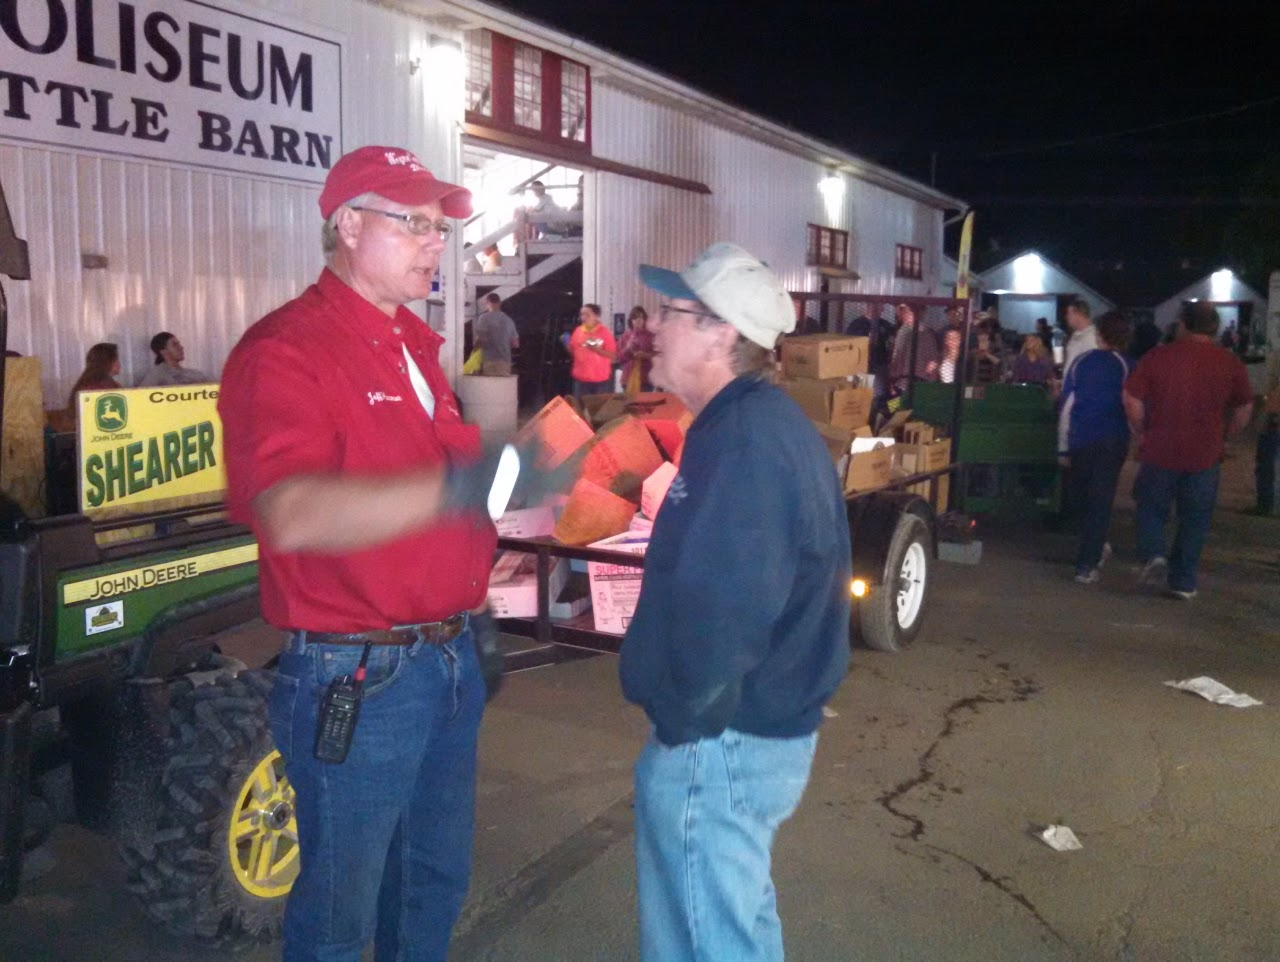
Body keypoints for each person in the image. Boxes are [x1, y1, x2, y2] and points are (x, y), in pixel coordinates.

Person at [217, 145, 508, 961]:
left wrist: (489, 542)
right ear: (347, 224)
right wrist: (457, 489)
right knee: (341, 915)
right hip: (360, 675)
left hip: (446, 659)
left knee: (430, 883)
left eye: (440, 226)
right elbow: (292, 513)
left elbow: (434, 487)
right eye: (413, 222)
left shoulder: (414, 346)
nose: (435, 241)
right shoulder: (286, 351)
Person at [621, 241, 850, 962]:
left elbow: (729, 608)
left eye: (672, 312)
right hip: (747, 732)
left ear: (722, 334)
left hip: (722, 740)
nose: (653, 327)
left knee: (704, 939)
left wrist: (684, 724)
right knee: (736, 923)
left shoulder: (745, 443)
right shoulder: (749, 426)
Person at [1123, 302, 1253, 599]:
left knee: (1150, 506)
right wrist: (1225, 435)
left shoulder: (1158, 357)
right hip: (1205, 454)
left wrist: (1142, 428)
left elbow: (1131, 398)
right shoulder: (1229, 362)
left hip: (1160, 448)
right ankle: (1183, 582)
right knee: (1195, 519)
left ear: (1183, 324)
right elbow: (1245, 406)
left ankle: (1155, 553)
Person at [1057, 311, 1133, 583]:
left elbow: (1067, 407)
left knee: (1084, 499)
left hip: (1081, 441)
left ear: (1099, 333)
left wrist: (1063, 447)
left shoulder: (1081, 363)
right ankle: (1089, 561)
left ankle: (1091, 553)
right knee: (1101, 500)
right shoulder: (1127, 365)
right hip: (1113, 442)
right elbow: (1133, 406)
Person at [48, 342, 122, 432]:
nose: (119, 363)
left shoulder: (88, 383)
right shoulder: (97, 388)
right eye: (116, 360)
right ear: (106, 362)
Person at [888, 302, 939, 398]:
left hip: (914, 380)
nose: (903, 316)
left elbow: (933, 359)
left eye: (907, 312)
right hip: (908, 381)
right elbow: (897, 357)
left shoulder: (925, 333)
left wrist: (892, 377)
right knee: (901, 405)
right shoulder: (904, 331)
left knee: (902, 404)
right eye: (902, 313)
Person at [566, 303, 616, 398]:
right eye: (582, 314)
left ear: (596, 316)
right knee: (579, 409)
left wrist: (597, 350)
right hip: (581, 379)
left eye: (587, 314)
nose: (584, 317)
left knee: (597, 410)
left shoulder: (605, 332)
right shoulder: (578, 331)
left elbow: (613, 355)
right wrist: (567, 346)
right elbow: (573, 353)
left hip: (600, 381)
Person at [135, 331, 211, 386]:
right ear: (163, 351)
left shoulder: (196, 374)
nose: (181, 347)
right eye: (175, 345)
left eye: (179, 344)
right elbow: (142, 397)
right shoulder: (157, 375)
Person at [474, 292, 519, 376]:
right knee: (502, 388)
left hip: (489, 360)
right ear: (500, 303)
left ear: (487, 303)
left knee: (490, 387)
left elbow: (480, 340)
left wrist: (473, 355)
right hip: (505, 361)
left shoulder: (484, 318)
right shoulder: (509, 320)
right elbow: (515, 344)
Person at [616, 305, 656, 394]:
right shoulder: (626, 336)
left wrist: (645, 355)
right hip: (628, 378)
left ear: (645, 319)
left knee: (643, 406)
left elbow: (658, 356)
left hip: (645, 379)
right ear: (631, 321)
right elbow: (619, 358)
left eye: (640, 318)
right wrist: (627, 348)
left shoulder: (651, 336)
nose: (637, 320)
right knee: (629, 407)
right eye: (634, 318)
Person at [1061, 297, 1098, 376]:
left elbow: (1092, 366)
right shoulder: (1076, 334)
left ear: (1078, 314)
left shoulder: (1092, 336)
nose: (1066, 317)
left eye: (1069, 314)